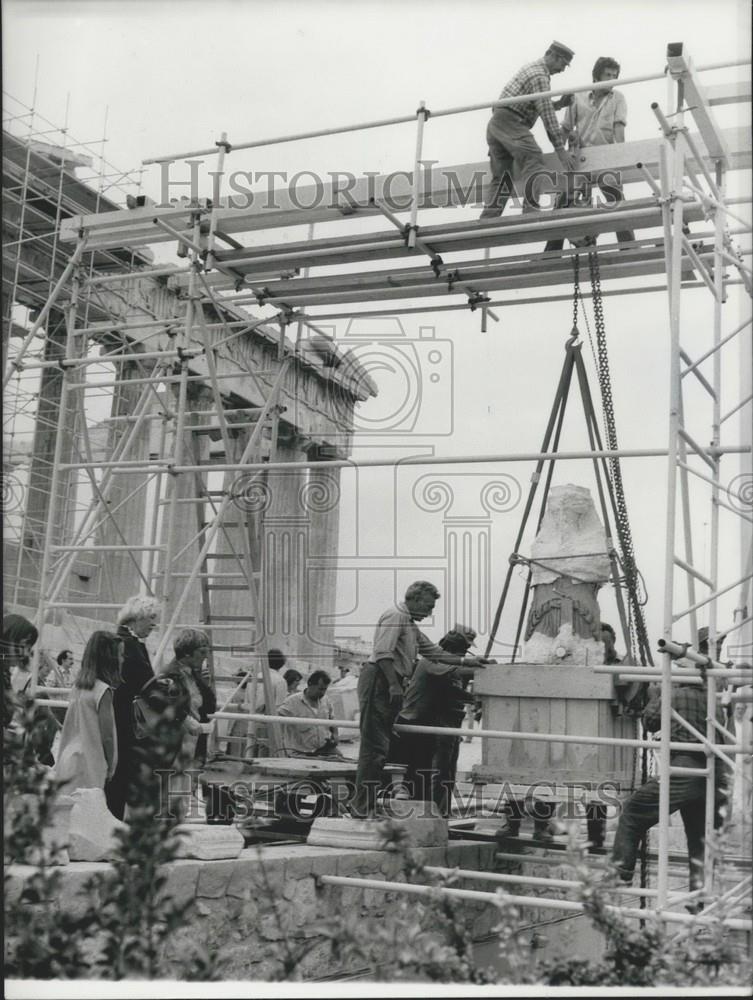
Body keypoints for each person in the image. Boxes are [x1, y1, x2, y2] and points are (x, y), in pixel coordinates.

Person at [351, 581, 486, 817]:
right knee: (374, 749)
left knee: (380, 749)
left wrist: (468, 661)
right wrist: (393, 685)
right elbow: (383, 653)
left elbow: (433, 652)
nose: (430, 612)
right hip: (380, 680)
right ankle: (361, 808)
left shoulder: (409, 625)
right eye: (428, 606)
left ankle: (366, 806)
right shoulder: (395, 616)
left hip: (389, 682)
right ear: (413, 599)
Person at [611, 680, 731, 903]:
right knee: (701, 840)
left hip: (684, 768)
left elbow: (650, 722)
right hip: (715, 773)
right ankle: (699, 900)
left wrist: (656, 695)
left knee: (632, 813)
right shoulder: (712, 697)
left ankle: (620, 875)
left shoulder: (672, 694)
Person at [392, 625, 489, 815]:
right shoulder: (434, 660)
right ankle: (432, 813)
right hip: (416, 723)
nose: (462, 652)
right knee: (433, 773)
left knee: (444, 773)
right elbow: (456, 676)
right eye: (462, 647)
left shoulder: (447, 664)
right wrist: (482, 669)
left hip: (436, 723)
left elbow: (452, 690)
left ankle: (438, 813)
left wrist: (476, 697)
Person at [544, 56, 635, 252]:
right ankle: (551, 253)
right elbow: (566, 127)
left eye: (614, 76)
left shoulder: (618, 98)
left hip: (605, 157)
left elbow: (619, 128)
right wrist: (560, 152)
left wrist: (622, 154)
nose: (611, 79)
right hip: (581, 158)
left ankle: (628, 247)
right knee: (564, 201)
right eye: (607, 75)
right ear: (596, 76)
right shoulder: (578, 97)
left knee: (616, 200)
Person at [480, 42, 578, 220]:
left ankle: (488, 219)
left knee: (503, 176)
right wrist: (561, 151)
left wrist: (559, 104)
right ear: (553, 56)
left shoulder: (532, 69)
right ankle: (530, 211)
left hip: (497, 123)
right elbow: (547, 116)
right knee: (533, 157)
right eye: (563, 64)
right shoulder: (540, 76)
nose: (563, 69)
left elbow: (533, 105)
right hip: (511, 121)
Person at [135, 628, 216, 818]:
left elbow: (208, 707)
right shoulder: (169, 674)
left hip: (192, 746)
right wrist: (184, 718)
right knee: (169, 794)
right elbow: (151, 696)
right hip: (173, 745)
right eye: (202, 652)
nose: (205, 657)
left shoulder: (194, 675)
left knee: (182, 795)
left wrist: (206, 684)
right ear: (188, 653)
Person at [107, 595, 160, 819]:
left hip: (120, 716)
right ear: (137, 618)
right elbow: (146, 683)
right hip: (125, 720)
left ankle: (115, 822)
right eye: (151, 618)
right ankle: (116, 824)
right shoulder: (129, 645)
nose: (153, 624)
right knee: (122, 775)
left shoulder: (126, 641)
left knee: (119, 775)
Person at [54, 631, 123, 801]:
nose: (123, 659)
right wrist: (111, 764)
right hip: (91, 762)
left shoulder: (78, 687)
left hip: (68, 757)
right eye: (121, 654)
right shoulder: (103, 691)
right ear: (110, 659)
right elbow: (107, 735)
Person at [278, 670, 339, 756]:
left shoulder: (326, 700)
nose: (323, 693)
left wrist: (335, 735)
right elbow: (277, 721)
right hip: (301, 751)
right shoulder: (292, 702)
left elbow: (332, 720)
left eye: (325, 689)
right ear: (310, 684)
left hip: (324, 748)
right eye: (320, 689)